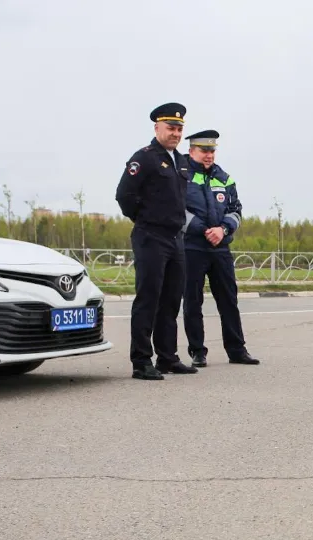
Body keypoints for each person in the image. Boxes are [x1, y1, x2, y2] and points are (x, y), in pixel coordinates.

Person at [115, 102, 198, 380]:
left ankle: (168, 357)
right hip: (151, 236)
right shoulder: (146, 157)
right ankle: (141, 360)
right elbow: (124, 195)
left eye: (179, 128)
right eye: (170, 128)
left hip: (176, 240)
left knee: (171, 300)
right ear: (157, 128)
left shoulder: (182, 162)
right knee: (148, 299)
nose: (175, 133)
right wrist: (145, 219)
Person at [180, 129, 260, 368]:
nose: (209, 155)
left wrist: (223, 230)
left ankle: (236, 350)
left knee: (228, 300)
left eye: (212, 151)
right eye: (204, 150)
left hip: (220, 248)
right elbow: (175, 209)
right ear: (192, 150)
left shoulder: (224, 178)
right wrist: (202, 228)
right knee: (192, 301)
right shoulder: (180, 176)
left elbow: (236, 210)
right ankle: (197, 351)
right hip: (192, 247)